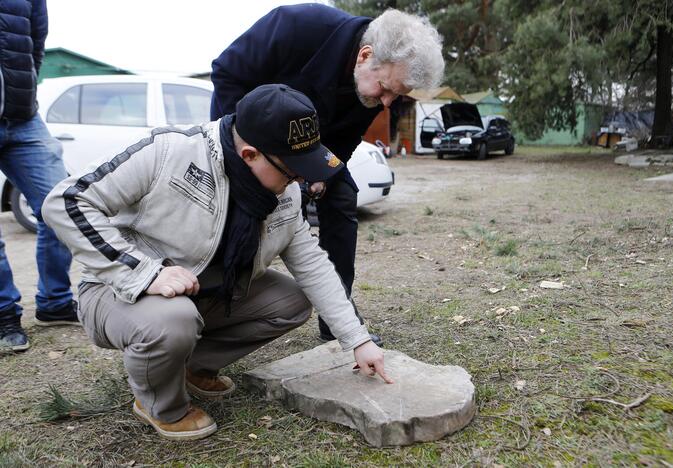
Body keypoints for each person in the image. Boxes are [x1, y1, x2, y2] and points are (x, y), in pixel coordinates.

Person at [42, 84, 391, 441]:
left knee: (293, 301)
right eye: (291, 170)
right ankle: (161, 404)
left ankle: (188, 366)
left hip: (201, 292)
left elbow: (313, 265)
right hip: (117, 290)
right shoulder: (169, 152)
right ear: (251, 154)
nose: (300, 180)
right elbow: (66, 201)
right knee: (173, 320)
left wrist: (356, 340)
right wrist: (143, 273)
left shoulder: (283, 193)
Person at [210, 5, 444, 345]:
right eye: (386, 88)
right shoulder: (297, 27)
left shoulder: (374, 90)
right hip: (247, 144)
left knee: (343, 194)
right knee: (245, 217)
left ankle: (338, 317)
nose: (388, 103)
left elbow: (347, 138)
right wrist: (246, 152)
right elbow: (226, 72)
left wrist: (323, 175)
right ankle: (216, 312)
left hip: (309, 153)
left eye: (398, 94)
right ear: (365, 55)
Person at [0, 0, 77, 351]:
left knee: (61, 205)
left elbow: (36, 42)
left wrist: (24, 88)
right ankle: (4, 315)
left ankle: (55, 302)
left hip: (23, 117)